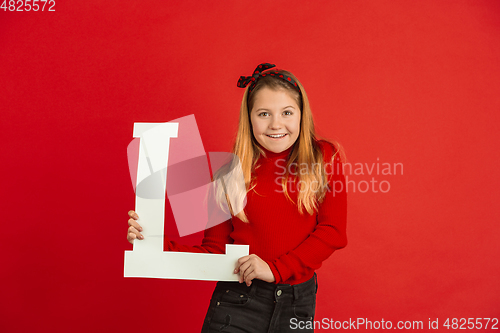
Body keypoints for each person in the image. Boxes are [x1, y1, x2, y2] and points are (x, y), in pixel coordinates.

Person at [126, 63, 347, 332]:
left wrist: (276, 269)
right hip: (239, 300)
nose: (276, 124)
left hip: (296, 304)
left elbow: (333, 231)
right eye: (264, 113)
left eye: (287, 112)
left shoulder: (323, 158)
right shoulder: (228, 175)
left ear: (302, 115)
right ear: (249, 117)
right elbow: (215, 251)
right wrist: (154, 242)